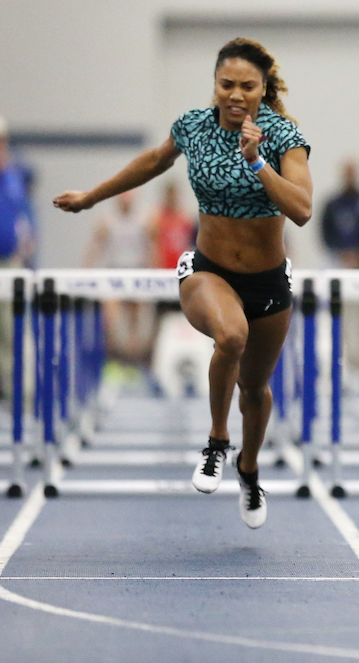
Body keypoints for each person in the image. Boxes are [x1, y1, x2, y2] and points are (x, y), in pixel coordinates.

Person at [54, 38, 312, 528]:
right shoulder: (193, 126)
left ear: (263, 89)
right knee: (230, 336)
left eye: (247, 86)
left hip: (268, 280)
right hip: (209, 271)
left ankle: (249, 468)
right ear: (215, 85)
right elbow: (153, 162)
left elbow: (301, 209)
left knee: (255, 390)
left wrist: (258, 162)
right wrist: (92, 197)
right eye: (226, 84)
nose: (236, 95)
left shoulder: (283, 136)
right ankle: (217, 441)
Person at [81, 190, 156, 371]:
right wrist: (85, 270)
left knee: (136, 318)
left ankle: (134, 360)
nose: (125, 205)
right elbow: (96, 246)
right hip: (114, 272)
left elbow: (151, 247)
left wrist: (156, 272)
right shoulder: (107, 220)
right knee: (111, 316)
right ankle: (113, 356)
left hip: (137, 271)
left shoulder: (144, 219)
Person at [0, 116, 35, 403]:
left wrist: (27, 247)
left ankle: (13, 393)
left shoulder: (13, 176)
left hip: (10, 263)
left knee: (11, 330)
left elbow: (25, 217)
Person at [320, 158, 359, 269]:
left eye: (352, 174)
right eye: (347, 174)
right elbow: (326, 231)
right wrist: (340, 253)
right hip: (337, 261)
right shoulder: (333, 205)